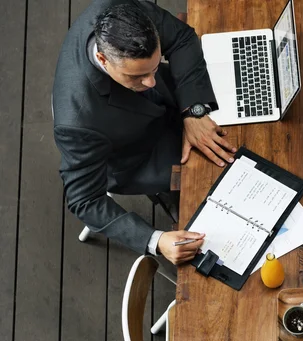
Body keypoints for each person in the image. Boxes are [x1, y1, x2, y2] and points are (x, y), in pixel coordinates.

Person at [53, 0, 235, 264]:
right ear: (103, 59)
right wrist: (155, 240)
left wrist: (193, 111)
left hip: (173, 103)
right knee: (212, 179)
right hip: (137, 156)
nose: (151, 82)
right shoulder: (77, 124)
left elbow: (182, 38)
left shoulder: (123, 13)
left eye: (153, 68)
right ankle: (171, 198)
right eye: (136, 77)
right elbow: (84, 200)